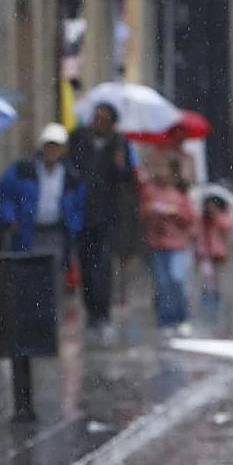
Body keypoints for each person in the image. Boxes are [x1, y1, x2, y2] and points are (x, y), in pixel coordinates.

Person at [67, 103, 135, 341]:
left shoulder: (119, 144)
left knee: (103, 267)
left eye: (103, 119)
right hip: (83, 213)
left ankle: (103, 314)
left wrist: (120, 164)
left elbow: (127, 178)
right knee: (85, 266)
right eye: (96, 118)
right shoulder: (78, 139)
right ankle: (91, 312)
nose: (98, 123)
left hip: (108, 215)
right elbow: (71, 169)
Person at [0, 123, 86, 260]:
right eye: (49, 146)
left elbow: (79, 204)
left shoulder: (71, 176)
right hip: (28, 233)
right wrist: (10, 218)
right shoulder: (23, 170)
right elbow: (5, 194)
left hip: (56, 233)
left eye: (56, 147)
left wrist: (73, 226)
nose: (52, 150)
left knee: (54, 272)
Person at [138, 156, 198, 336]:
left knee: (177, 279)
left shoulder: (180, 193)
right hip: (157, 244)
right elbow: (142, 215)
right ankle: (166, 320)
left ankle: (182, 317)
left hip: (177, 244)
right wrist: (153, 212)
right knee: (162, 283)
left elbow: (189, 218)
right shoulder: (150, 191)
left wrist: (174, 212)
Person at [197, 194, 233, 311]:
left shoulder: (222, 217)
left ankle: (218, 301)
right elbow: (196, 232)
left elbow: (228, 228)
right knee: (206, 276)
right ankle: (207, 302)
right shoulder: (202, 220)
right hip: (205, 253)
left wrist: (217, 217)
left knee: (219, 278)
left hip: (219, 254)